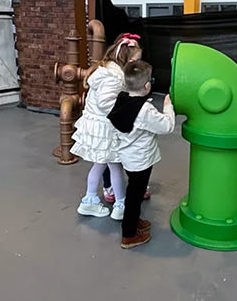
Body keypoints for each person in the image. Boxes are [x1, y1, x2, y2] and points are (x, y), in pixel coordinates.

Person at [71, 33, 142, 220]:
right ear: (124, 58)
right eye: (135, 60)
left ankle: (91, 199)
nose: (136, 64)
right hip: (106, 128)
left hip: (98, 126)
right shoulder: (114, 77)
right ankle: (120, 205)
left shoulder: (106, 70)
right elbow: (106, 103)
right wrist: (126, 109)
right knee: (115, 165)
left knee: (100, 165)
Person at [108, 60, 175, 249]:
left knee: (134, 192)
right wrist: (168, 106)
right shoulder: (144, 110)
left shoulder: (122, 98)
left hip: (129, 157)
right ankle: (128, 235)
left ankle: (134, 221)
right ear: (147, 86)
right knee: (134, 195)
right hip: (141, 160)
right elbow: (167, 126)